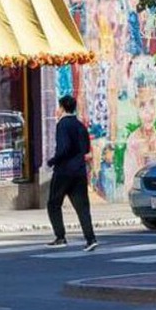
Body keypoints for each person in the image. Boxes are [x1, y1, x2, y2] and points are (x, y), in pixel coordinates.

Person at [46, 95, 98, 251]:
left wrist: (53, 160)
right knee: (82, 207)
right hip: (79, 171)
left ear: (62, 108)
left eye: (58, 107)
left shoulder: (62, 125)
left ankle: (60, 236)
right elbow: (86, 149)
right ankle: (90, 238)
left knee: (53, 203)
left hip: (64, 171)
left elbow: (64, 147)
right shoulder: (80, 125)